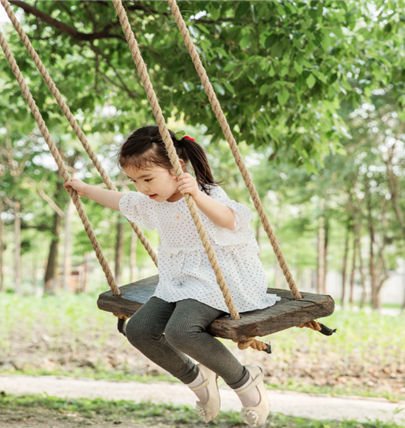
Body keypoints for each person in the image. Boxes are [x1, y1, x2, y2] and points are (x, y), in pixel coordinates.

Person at [64, 126, 278, 426]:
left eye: (148, 178)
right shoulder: (154, 201)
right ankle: (198, 379)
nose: (142, 187)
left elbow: (229, 220)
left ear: (176, 168)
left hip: (219, 281)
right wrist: (85, 189)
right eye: (135, 181)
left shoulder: (204, 193)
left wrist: (196, 195)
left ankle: (245, 381)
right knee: (139, 330)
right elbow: (122, 200)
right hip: (178, 282)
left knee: (181, 331)